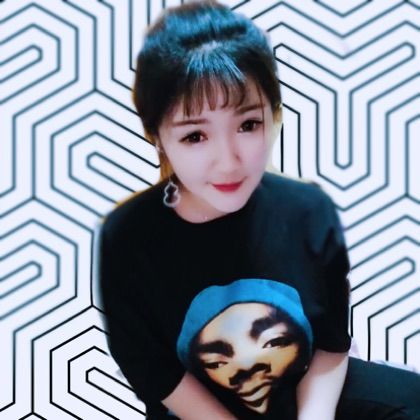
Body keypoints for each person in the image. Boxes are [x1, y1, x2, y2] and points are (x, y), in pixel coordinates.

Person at [99, 1, 420, 419]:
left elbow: (330, 340)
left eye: (248, 125)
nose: (229, 161)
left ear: (274, 114)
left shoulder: (309, 212)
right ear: (157, 135)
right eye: (195, 136)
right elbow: (155, 373)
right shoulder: (128, 238)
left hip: (304, 387)